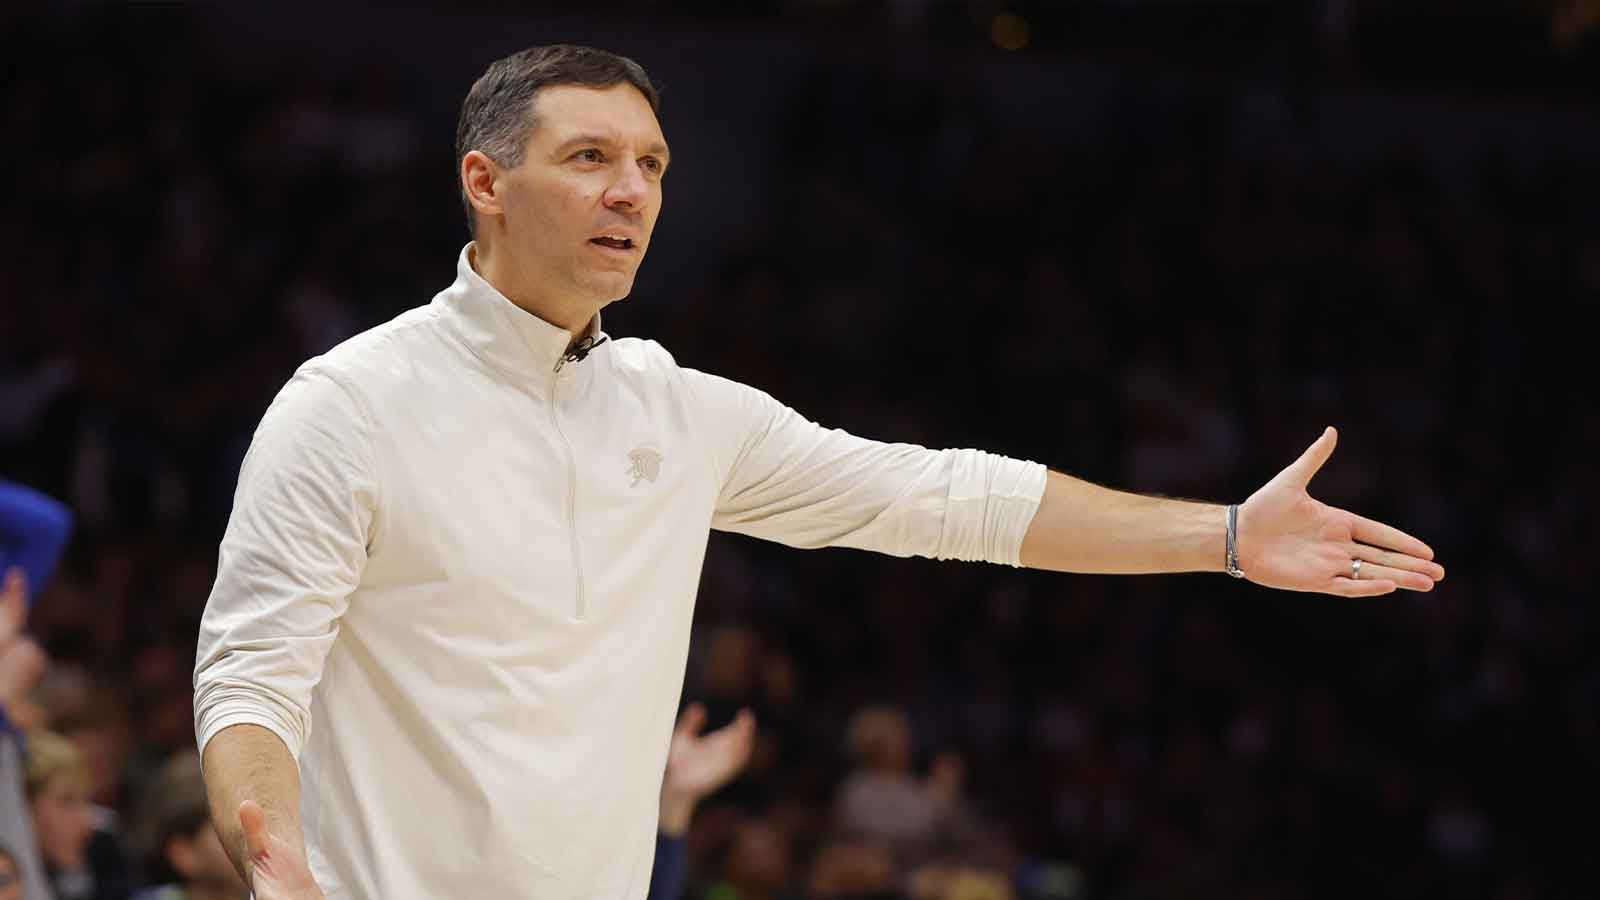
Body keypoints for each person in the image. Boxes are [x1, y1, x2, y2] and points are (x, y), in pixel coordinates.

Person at [191, 43, 1445, 900]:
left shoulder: (682, 412)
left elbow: (945, 498)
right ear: (485, 183)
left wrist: (1221, 534)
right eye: (588, 158)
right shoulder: (350, 404)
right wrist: (274, 851)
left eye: (654, 166)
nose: (631, 190)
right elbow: (253, 671)